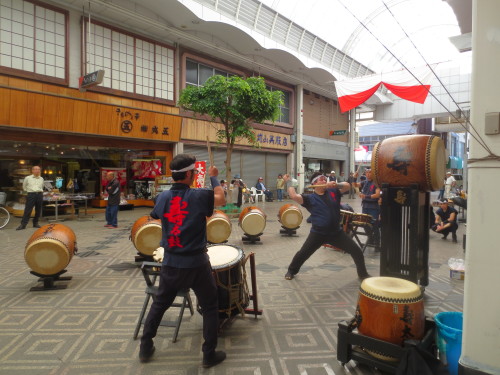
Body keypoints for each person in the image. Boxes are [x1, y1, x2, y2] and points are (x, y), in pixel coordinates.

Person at [140, 154, 226, 367]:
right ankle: (208, 354)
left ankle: (145, 346)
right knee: (210, 305)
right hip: (197, 263)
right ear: (188, 174)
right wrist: (214, 178)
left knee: (160, 303)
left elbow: (155, 215)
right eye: (194, 173)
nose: (196, 175)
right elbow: (221, 199)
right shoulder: (199, 195)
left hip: (171, 262)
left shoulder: (162, 197)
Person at [283, 172, 370, 281]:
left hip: (336, 233)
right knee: (303, 253)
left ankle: (363, 274)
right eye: (322, 179)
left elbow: (348, 185)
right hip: (318, 233)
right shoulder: (309, 198)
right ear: (315, 183)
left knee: (356, 250)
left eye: (325, 179)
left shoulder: (333, 191)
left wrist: (336, 185)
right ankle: (291, 270)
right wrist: (289, 182)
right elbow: (293, 195)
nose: (325, 181)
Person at [359, 168, 381, 247]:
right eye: (367, 173)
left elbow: (377, 194)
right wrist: (354, 177)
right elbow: (354, 185)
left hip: (374, 207)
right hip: (365, 206)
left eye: (370, 172)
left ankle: (377, 243)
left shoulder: (377, 183)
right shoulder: (365, 182)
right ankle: (371, 239)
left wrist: (366, 196)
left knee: (374, 225)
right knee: (365, 224)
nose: (368, 174)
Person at [17, 166, 44, 230]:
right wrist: (30, 192)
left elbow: (42, 186)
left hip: (39, 195)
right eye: (35, 169)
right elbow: (24, 187)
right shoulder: (28, 178)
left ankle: (35, 223)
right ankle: (23, 224)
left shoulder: (41, 179)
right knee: (28, 210)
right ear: (32, 170)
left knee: (38, 210)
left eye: (38, 169)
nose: (37, 171)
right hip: (31, 195)